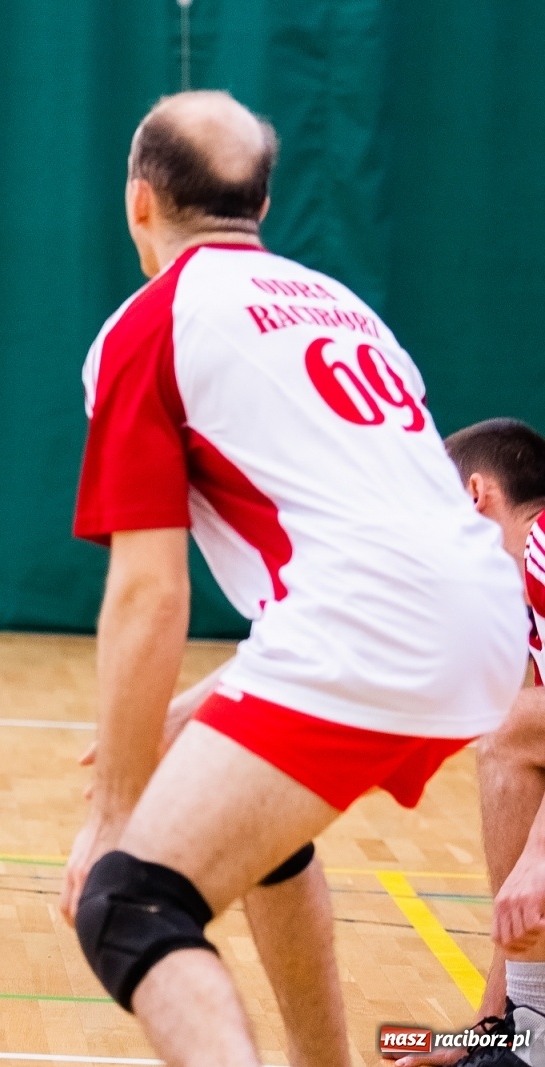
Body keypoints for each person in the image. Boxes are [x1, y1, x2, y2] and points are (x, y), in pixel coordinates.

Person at [61, 89, 526, 1067]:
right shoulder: (342, 306)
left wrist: (114, 812)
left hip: (368, 624)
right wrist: (212, 704)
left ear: (138, 201)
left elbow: (149, 591)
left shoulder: (150, 326)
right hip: (485, 610)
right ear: (261, 204)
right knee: (265, 838)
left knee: (129, 902)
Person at [383, 418, 545, 1067]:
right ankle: (519, 1029)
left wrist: (538, 856)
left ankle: (530, 1035)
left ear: (476, 494)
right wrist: (487, 1028)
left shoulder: (542, 545)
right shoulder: (525, 598)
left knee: (508, 731)